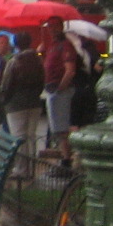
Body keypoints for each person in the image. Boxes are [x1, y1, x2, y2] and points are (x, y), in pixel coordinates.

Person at [1, 30, 46, 178]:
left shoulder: (14, 61)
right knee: (31, 136)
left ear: (16, 44)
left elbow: (6, 85)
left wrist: (4, 100)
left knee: (18, 137)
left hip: (15, 105)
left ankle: (21, 169)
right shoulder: (38, 61)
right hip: (34, 102)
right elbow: (42, 82)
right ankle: (32, 167)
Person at [41, 16, 79, 168]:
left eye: (55, 26)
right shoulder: (52, 45)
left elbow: (70, 70)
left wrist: (60, 88)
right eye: (49, 26)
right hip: (52, 89)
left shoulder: (66, 46)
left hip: (59, 91)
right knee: (57, 128)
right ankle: (64, 157)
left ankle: (66, 160)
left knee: (61, 128)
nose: (52, 29)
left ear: (61, 27)